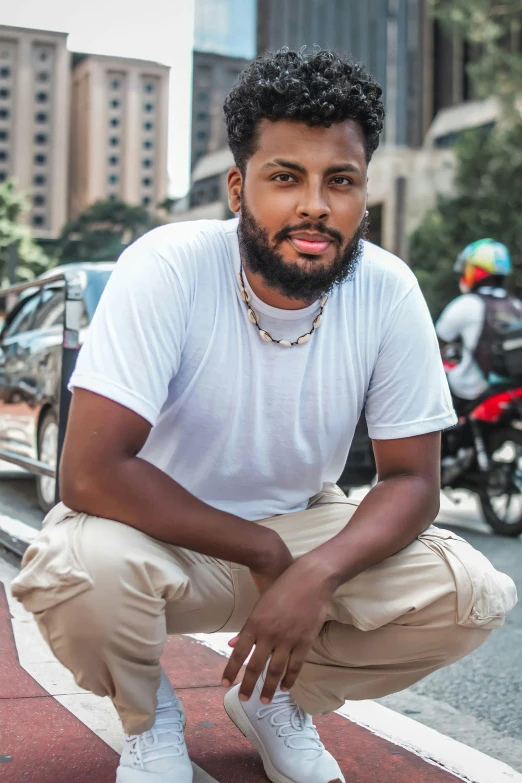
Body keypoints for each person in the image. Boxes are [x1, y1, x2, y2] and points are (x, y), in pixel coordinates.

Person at [12, 50, 516, 783]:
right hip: (153, 534)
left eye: (339, 180)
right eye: (286, 177)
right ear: (238, 186)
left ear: (363, 197)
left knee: (470, 593)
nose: (315, 204)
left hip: (300, 522)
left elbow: (412, 480)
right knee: (75, 570)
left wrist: (316, 571)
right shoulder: (169, 265)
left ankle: (274, 697)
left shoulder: (388, 288)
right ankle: (148, 715)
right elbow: (89, 472)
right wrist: (263, 552)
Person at [436, 238, 521, 410]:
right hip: (510, 386)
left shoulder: (466, 304)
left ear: (478, 271)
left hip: (471, 389)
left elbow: (434, 345)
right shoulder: (516, 304)